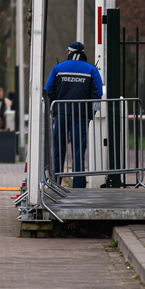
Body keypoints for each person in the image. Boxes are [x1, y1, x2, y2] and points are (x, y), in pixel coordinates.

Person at [44, 41, 103, 188]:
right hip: (81, 115)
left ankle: (55, 182)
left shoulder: (58, 68)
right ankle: (78, 185)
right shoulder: (91, 70)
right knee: (78, 150)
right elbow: (97, 94)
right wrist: (91, 114)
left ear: (70, 52)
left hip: (61, 114)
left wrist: (54, 111)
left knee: (58, 150)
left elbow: (48, 91)